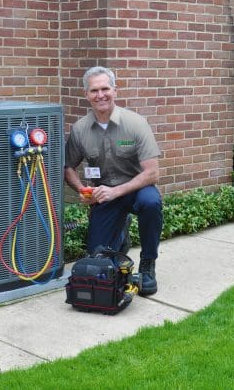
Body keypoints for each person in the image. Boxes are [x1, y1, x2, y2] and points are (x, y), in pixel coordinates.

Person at [64, 66, 163, 296]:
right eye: (94, 90)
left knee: (152, 203)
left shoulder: (136, 123)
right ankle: (121, 235)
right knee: (97, 257)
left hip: (137, 189)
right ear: (86, 94)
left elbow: (152, 173)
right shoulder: (80, 130)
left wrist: (116, 191)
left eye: (105, 88)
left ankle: (148, 264)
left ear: (115, 91)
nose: (100, 95)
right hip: (104, 197)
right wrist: (81, 189)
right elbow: (68, 166)